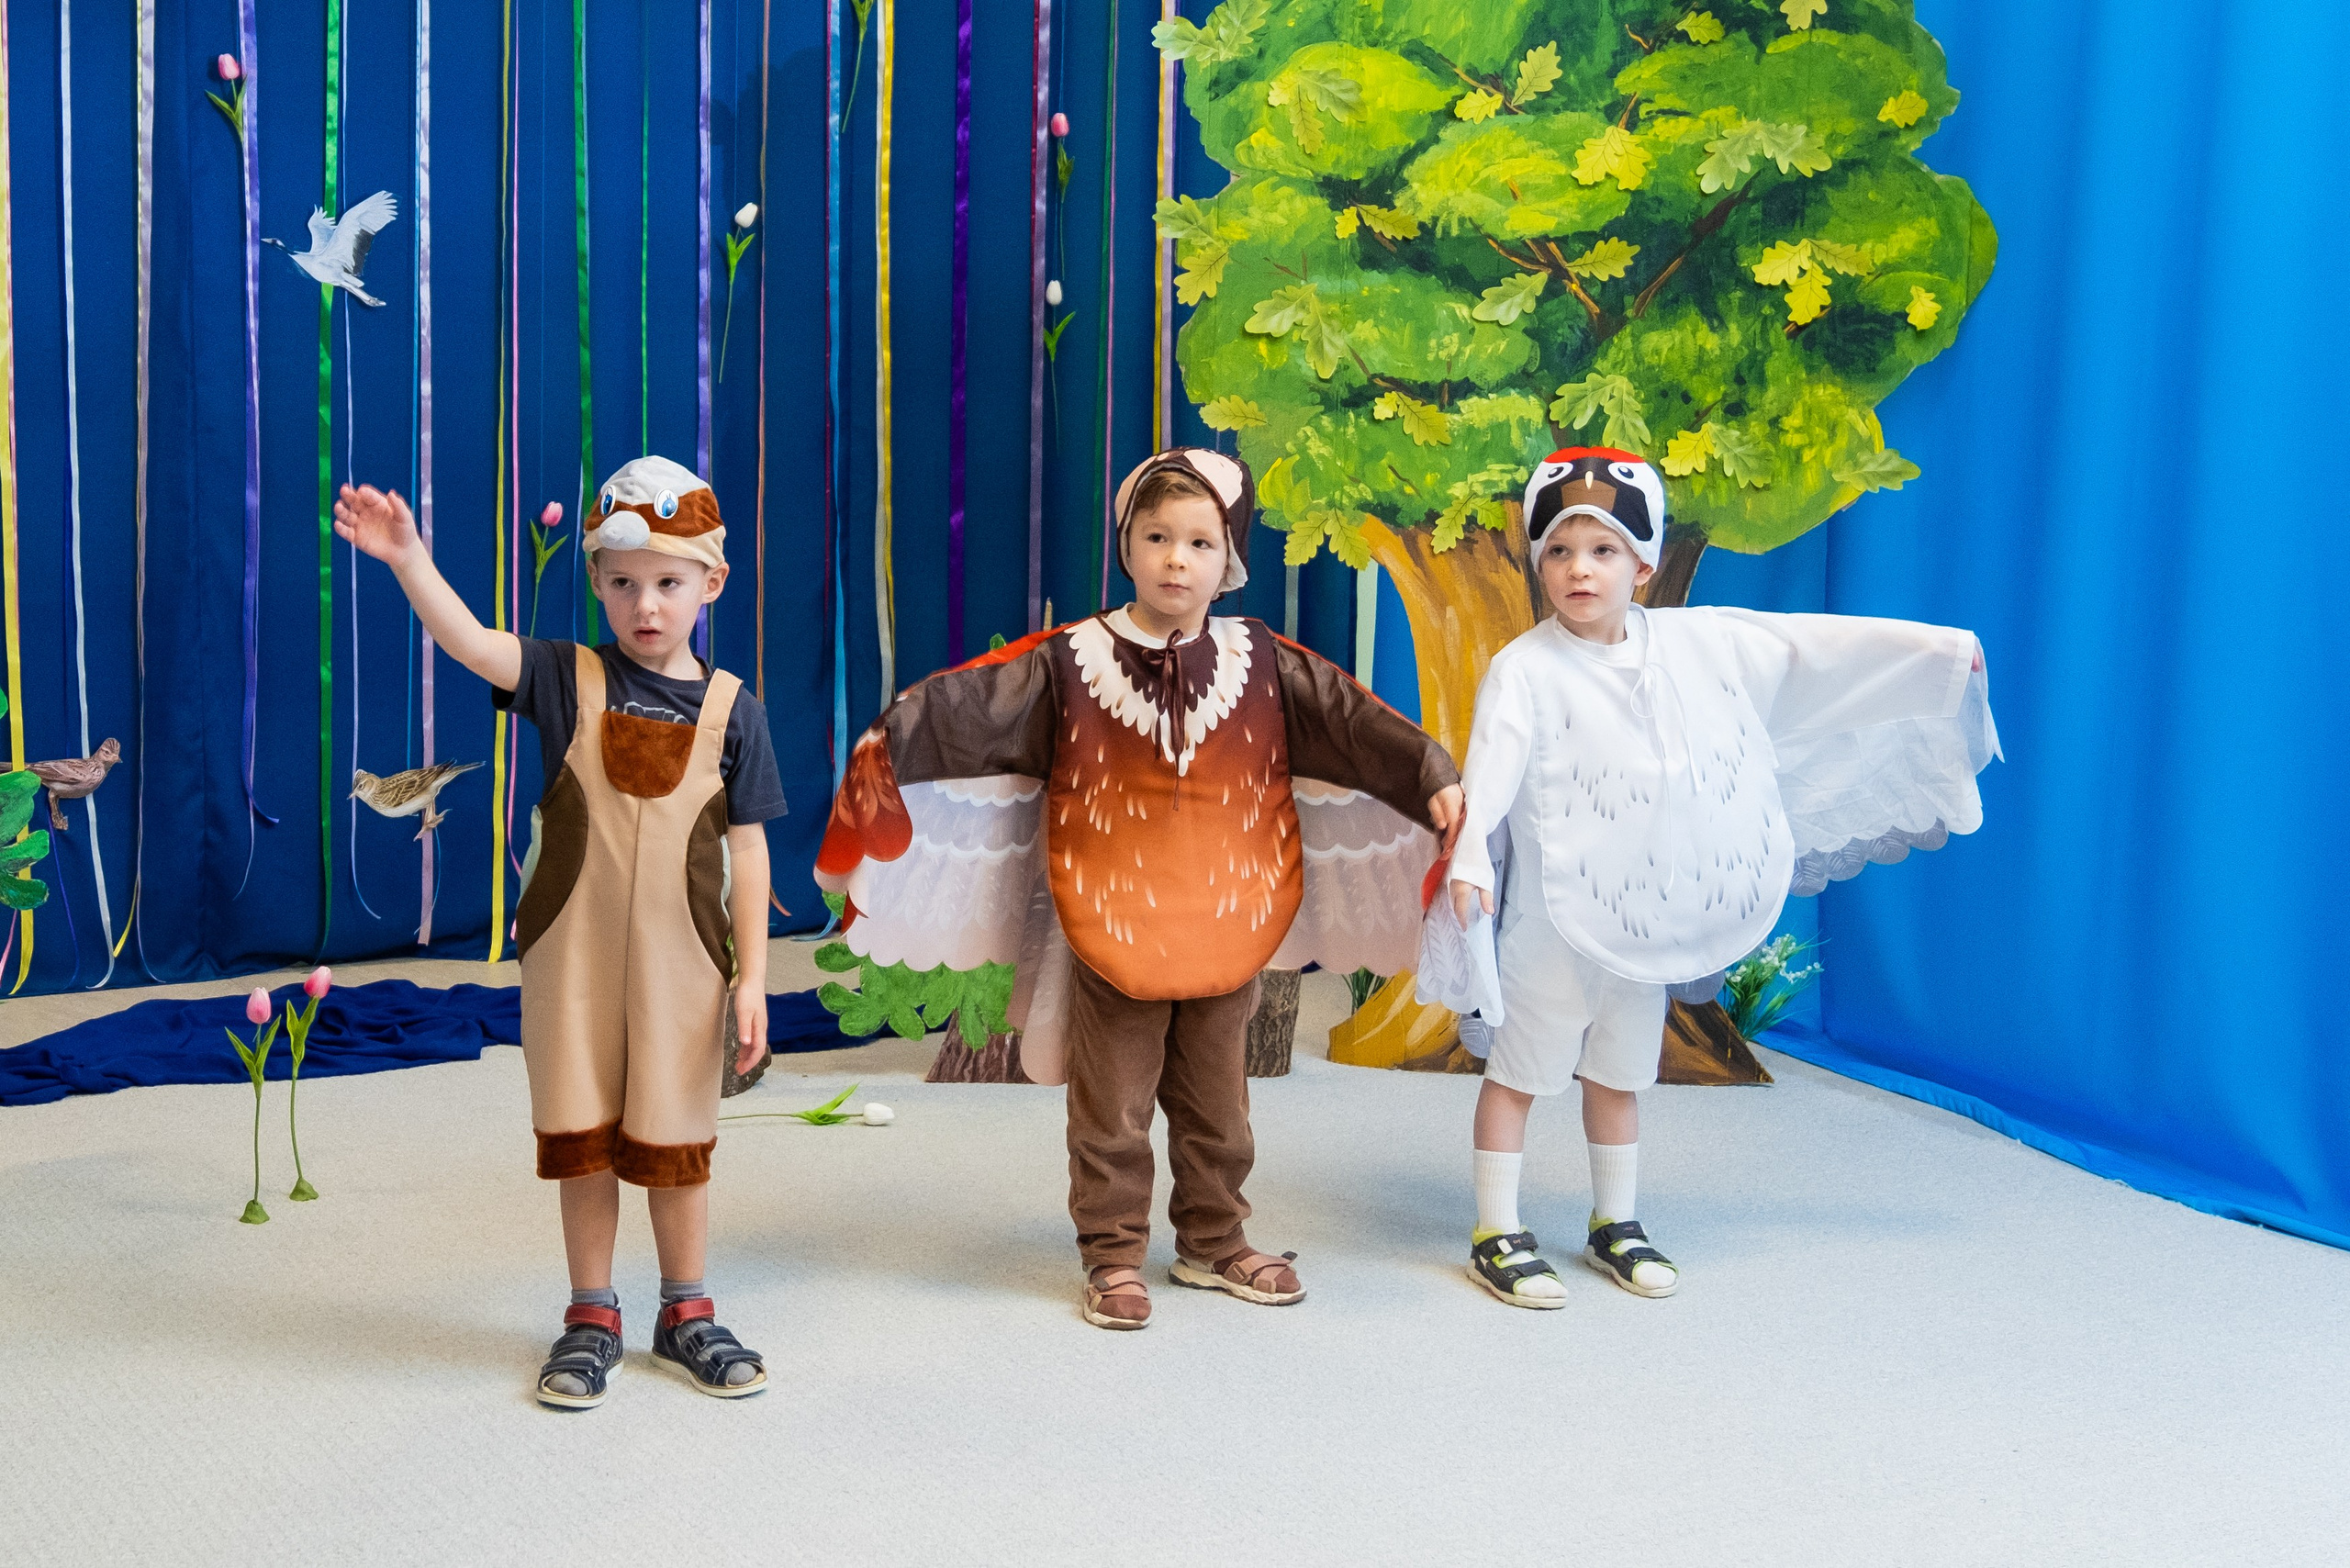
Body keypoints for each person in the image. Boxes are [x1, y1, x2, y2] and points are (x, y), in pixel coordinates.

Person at [816, 448, 1464, 1329]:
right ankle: (1113, 1254)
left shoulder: (1264, 661)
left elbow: (1358, 724)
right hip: (1112, 919)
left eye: (1199, 542)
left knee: (1218, 1104)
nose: (1175, 559)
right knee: (1112, 1108)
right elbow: (970, 711)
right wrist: (891, 741)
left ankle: (1213, 1241)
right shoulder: (1067, 662)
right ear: (1127, 547)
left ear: (1228, 557)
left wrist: (1432, 773)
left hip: (1229, 919)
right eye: (1157, 537)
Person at [1432, 448, 1998, 1308]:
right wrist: (1471, 857)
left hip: (1643, 925)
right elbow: (1491, 774)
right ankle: (1496, 1229)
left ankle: (1614, 1221)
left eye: (1604, 550)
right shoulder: (1526, 668)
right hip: (1552, 922)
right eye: (1559, 551)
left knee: (1619, 1075)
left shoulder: (1703, 644)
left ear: (1644, 564)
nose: (1579, 569)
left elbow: (1818, 651)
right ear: (1536, 560)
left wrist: (1943, 661)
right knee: (1519, 1072)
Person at [334, 455, 788, 1404]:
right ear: (595, 581)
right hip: (573, 964)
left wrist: (749, 979)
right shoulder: (558, 677)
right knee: (582, 1136)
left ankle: (687, 1309)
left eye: (668, 582)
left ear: (712, 582)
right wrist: (410, 560)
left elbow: (748, 850)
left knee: (675, 1139)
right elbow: (468, 644)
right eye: (622, 583)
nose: (646, 604)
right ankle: (591, 1311)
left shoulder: (733, 710)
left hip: (685, 967)